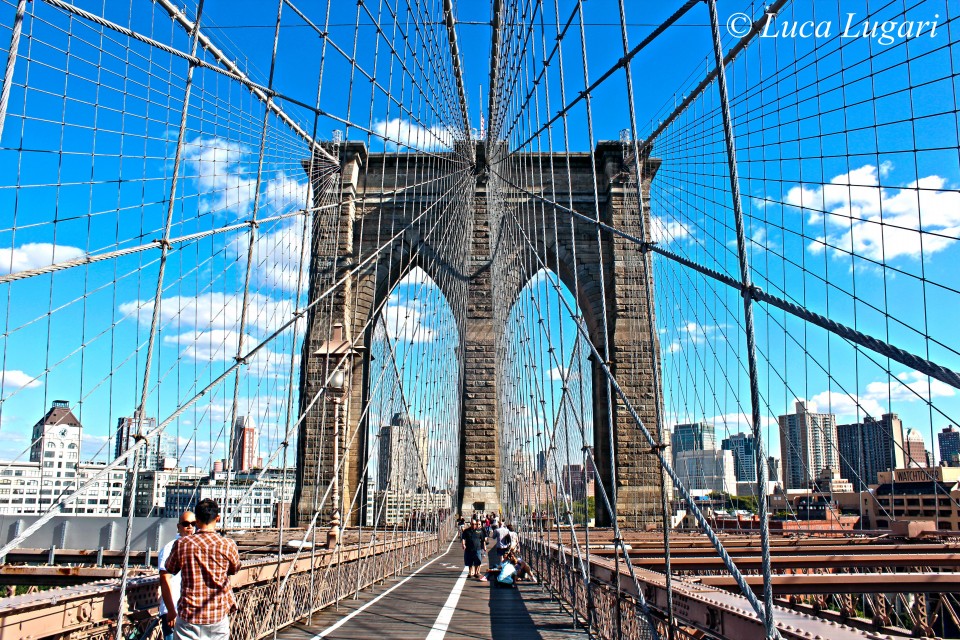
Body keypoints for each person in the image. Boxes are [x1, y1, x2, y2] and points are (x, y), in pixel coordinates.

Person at [164, 498, 241, 640]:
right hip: (216, 615)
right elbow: (234, 568)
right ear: (217, 518)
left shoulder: (181, 544)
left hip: (188, 615)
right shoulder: (228, 545)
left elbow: (170, 568)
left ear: (197, 520)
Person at [158, 510, 196, 640]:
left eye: (193, 523)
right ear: (178, 527)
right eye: (186, 523)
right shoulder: (170, 548)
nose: (190, 527)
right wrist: (171, 611)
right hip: (174, 612)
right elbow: (165, 579)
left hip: (190, 612)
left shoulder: (194, 547)